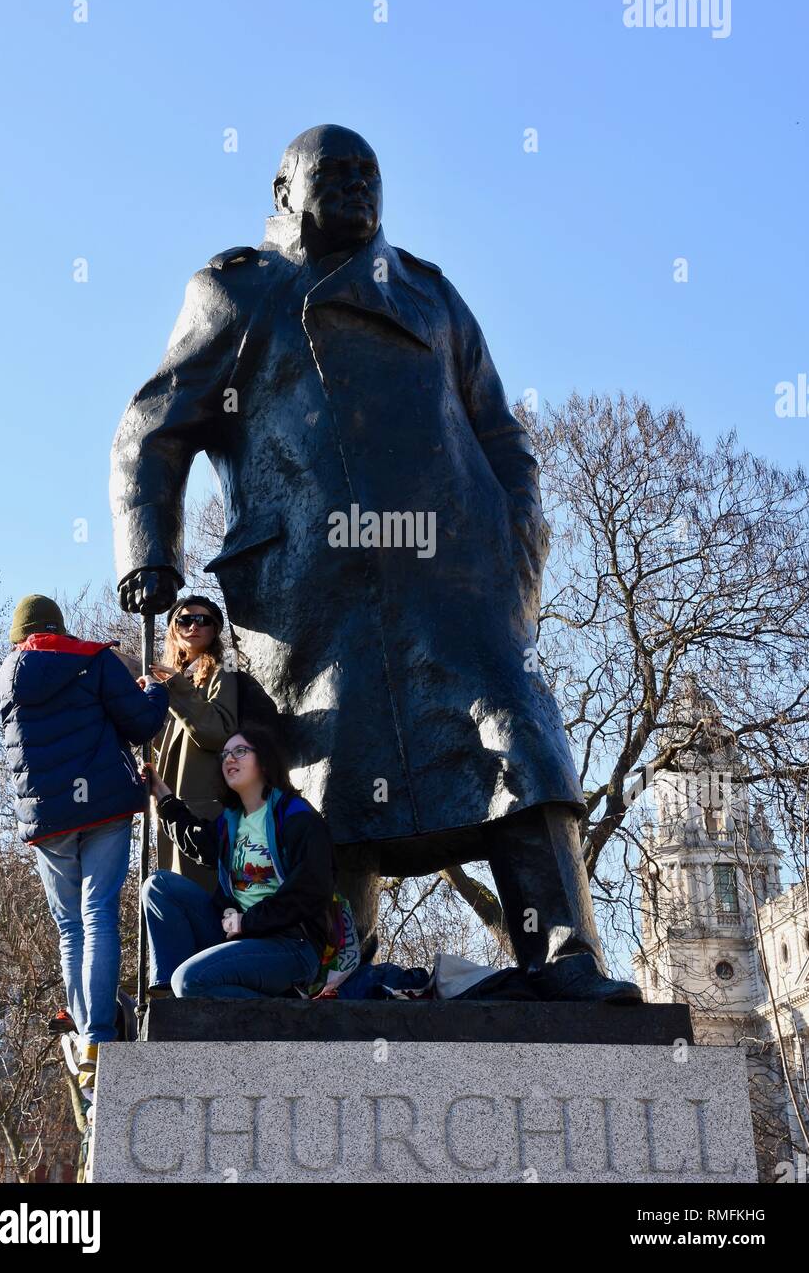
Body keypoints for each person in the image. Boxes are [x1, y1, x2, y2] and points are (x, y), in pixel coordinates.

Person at [111, 122, 640, 1001]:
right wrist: (147, 550)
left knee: (521, 741)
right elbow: (152, 429)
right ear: (285, 192)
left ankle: (564, 955)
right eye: (336, 173)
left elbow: (502, 436)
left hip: (454, 584)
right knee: (334, 782)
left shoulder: (429, 294)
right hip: (315, 596)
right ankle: (330, 972)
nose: (360, 187)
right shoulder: (238, 294)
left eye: (371, 173)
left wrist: (517, 563)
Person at [0, 594, 169, 1093]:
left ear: (20, 636)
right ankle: (97, 1035)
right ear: (61, 626)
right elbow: (141, 724)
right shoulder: (93, 660)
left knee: (70, 925)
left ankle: (82, 1025)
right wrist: (152, 689)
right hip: (104, 808)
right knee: (98, 916)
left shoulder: (8, 675)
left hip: (48, 819)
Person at [141, 722, 333, 1000]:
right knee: (160, 886)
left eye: (240, 751)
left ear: (265, 761)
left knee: (190, 981)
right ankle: (169, 1002)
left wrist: (247, 922)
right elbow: (198, 842)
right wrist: (161, 794)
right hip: (239, 937)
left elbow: (311, 891)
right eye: (225, 754)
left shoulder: (298, 818)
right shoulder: (231, 821)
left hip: (291, 945)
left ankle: (288, 1008)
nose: (229, 758)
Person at [149, 594, 277, 891]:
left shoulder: (222, 672)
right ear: (173, 628)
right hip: (170, 803)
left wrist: (175, 689)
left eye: (203, 620)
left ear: (214, 629)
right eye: (185, 619)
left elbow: (218, 732)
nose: (193, 625)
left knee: (200, 902)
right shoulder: (174, 680)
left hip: (202, 812)